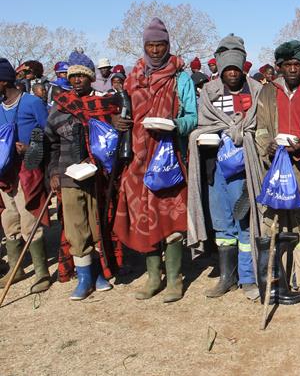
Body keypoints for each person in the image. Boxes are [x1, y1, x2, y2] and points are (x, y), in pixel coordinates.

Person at [112, 18, 198, 303]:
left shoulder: (180, 78)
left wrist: (174, 125)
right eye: (151, 45)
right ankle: (153, 277)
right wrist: (118, 122)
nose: (156, 50)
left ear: (168, 45)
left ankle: (174, 279)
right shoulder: (132, 78)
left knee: (170, 216)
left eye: (161, 45)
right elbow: (123, 114)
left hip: (169, 159)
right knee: (144, 217)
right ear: (144, 46)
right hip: (137, 158)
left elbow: (193, 118)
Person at [187, 34, 262, 301]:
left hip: (244, 168)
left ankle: (248, 277)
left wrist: (243, 135)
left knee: (245, 220)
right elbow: (203, 125)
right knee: (222, 225)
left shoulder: (255, 91)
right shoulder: (208, 92)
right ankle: (226, 277)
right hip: (214, 166)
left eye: (236, 68)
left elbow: (259, 125)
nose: (231, 73)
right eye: (226, 68)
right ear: (219, 67)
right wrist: (219, 134)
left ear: (242, 67)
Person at [45, 51, 123, 300]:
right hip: (68, 176)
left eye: (82, 75)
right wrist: (53, 173)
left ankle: (100, 273)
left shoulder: (105, 105)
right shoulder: (60, 107)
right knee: (76, 228)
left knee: (97, 223)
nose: (77, 80)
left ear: (90, 78)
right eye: (74, 76)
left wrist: (114, 121)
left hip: (96, 175)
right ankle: (85, 278)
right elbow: (51, 145)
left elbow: (112, 139)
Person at [255, 40, 300, 300]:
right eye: (288, 64)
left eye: (298, 64)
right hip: (275, 170)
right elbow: (260, 128)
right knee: (272, 225)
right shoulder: (267, 92)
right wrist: (269, 147)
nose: (293, 69)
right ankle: (273, 279)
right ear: (280, 67)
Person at [0, 58, 50, 293]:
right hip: (4, 173)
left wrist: (30, 148)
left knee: (29, 219)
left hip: (27, 169)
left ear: (4, 81)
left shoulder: (32, 103)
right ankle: (16, 268)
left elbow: (49, 134)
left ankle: (41, 272)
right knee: (9, 219)